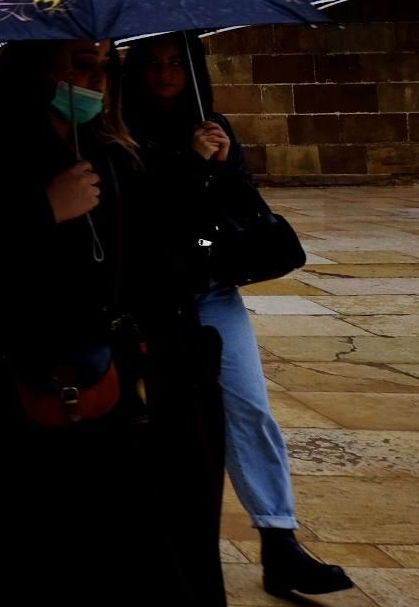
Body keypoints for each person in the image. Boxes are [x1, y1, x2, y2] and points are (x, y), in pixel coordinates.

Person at [0, 39, 227, 606]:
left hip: (102, 374)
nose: (97, 80)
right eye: (82, 63)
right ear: (37, 64)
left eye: (106, 67)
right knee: (25, 543)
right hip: (6, 375)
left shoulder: (107, 148)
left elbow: (145, 253)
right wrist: (42, 211)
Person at [125, 35, 354, 598]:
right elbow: (140, 211)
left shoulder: (212, 124)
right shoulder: (120, 130)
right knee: (162, 428)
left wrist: (222, 167)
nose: (165, 75)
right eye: (153, 64)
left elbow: (242, 206)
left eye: (176, 63)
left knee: (250, 409)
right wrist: (187, 162)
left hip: (211, 290)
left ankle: (279, 540)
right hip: (148, 299)